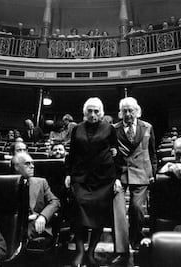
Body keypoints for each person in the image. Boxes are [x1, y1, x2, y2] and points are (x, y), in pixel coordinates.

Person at [65, 97, 118, 267]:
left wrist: (117, 178)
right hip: (80, 177)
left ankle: (91, 252)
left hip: (103, 179)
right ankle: (80, 251)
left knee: (99, 215)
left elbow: (116, 154)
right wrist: (68, 174)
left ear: (101, 113)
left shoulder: (109, 128)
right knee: (79, 212)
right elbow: (71, 153)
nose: (93, 114)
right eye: (90, 110)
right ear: (84, 112)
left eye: (96, 111)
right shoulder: (77, 129)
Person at [112, 97, 157, 264]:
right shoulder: (113, 129)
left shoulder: (147, 127)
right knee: (119, 213)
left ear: (137, 111)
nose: (128, 114)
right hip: (120, 174)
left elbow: (152, 153)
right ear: (120, 113)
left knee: (137, 209)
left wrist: (153, 172)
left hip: (142, 172)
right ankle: (121, 250)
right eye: (124, 111)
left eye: (131, 110)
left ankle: (136, 241)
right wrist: (114, 177)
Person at [11, 153, 60, 249]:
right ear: (17, 166)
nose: (32, 166)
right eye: (27, 163)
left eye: (32, 163)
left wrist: (43, 216)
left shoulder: (41, 182)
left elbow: (55, 202)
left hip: (35, 223)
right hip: (15, 224)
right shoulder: (6, 184)